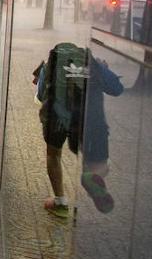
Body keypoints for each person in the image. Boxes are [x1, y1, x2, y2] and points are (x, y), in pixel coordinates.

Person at [32, 43, 124, 219]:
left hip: (58, 118)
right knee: (100, 164)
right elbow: (117, 89)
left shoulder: (49, 66)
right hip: (90, 118)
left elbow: (40, 96)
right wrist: (103, 68)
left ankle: (60, 202)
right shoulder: (95, 65)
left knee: (53, 154)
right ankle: (92, 176)